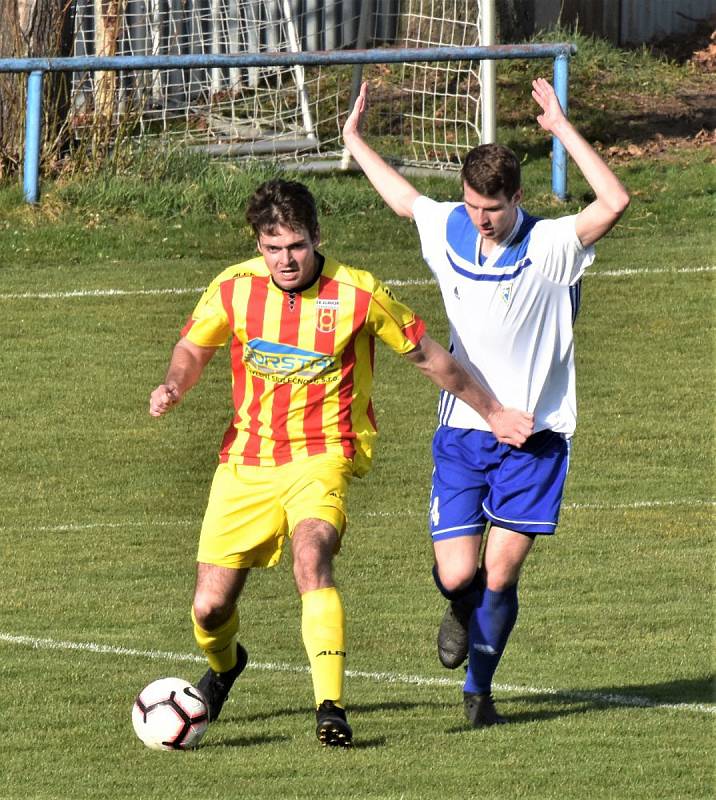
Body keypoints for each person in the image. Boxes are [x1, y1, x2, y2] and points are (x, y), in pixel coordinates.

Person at [149, 178, 534, 747]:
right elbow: (193, 347)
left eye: (297, 245)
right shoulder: (233, 288)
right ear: (258, 244)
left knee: (312, 555)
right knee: (209, 609)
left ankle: (330, 706)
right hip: (246, 461)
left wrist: (495, 412)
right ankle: (226, 667)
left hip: (323, 455)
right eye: (273, 246)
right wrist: (174, 384)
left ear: (316, 237)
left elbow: (431, 358)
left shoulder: (357, 294)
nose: (285, 259)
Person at [342, 78, 630, 727]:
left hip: (537, 437)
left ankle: (479, 693)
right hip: (466, 432)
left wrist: (560, 127)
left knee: (499, 576)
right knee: (456, 575)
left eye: (493, 208)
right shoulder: (450, 228)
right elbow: (406, 201)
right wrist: (354, 141)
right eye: (473, 205)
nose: (482, 218)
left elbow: (615, 199)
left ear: (517, 198)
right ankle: (458, 603)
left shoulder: (553, 246)